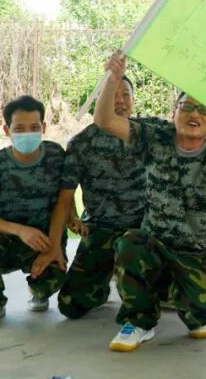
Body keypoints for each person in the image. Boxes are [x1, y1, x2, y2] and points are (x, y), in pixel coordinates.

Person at [94, 51, 206, 352]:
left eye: (204, 111)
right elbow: (104, 120)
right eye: (186, 107)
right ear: (173, 113)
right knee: (129, 244)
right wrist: (112, 80)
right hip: (155, 246)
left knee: (204, 310)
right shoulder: (155, 139)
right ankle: (140, 322)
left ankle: (179, 297)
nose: (194, 115)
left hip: (198, 255)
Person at [30, 75, 151, 321]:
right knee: (70, 306)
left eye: (126, 94)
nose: (120, 100)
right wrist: (54, 245)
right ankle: (102, 287)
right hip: (101, 229)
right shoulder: (81, 143)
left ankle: (149, 285)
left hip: (144, 230)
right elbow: (65, 196)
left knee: (147, 282)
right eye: (113, 94)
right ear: (100, 100)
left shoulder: (150, 134)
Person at [0, 95, 68, 326]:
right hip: (8, 239)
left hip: (45, 240)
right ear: (6, 130)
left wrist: (56, 243)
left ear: (44, 128)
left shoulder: (56, 156)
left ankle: (39, 291)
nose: (27, 133)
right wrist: (20, 230)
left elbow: (65, 198)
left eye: (34, 127)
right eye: (19, 128)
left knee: (54, 278)